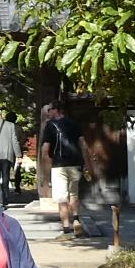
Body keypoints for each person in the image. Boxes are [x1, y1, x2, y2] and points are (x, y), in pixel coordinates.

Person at [79, 109, 128, 251]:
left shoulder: (104, 135)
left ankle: (106, 196)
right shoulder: (91, 136)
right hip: (99, 161)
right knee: (100, 178)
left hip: (108, 163)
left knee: (107, 179)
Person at [36, 102, 84, 241]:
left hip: (59, 165)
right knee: (74, 194)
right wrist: (86, 163)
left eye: (50, 110)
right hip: (75, 164)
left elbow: (45, 149)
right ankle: (76, 219)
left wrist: (47, 166)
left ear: (57, 110)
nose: (48, 112)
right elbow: (83, 145)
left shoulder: (50, 125)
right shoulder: (74, 124)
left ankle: (66, 230)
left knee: (62, 198)